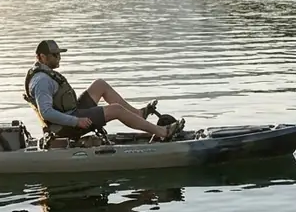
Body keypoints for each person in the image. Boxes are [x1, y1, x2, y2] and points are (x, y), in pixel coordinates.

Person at [22, 39, 185, 142]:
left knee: (100, 85)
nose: (59, 57)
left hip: (71, 113)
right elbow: (46, 113)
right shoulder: (42, 81)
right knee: (116, 110)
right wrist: (76, 121)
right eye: (55, 55)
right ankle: (163, 132)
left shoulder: (44, 74)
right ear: (42, 57)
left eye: (59, 54)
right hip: (65, 126)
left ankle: (138, 114)